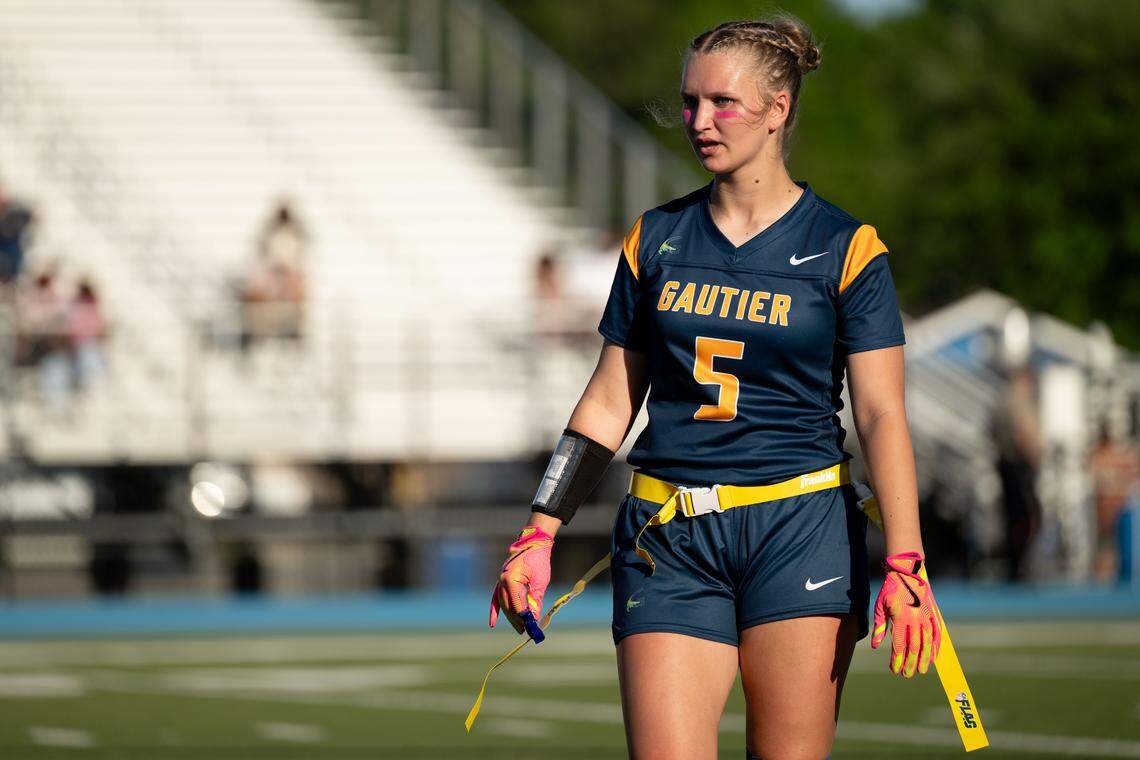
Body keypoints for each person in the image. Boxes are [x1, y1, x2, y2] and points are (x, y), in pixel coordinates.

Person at [489, 15, 942, 760]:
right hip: (670, 536)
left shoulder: (846, 247)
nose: (699, 121)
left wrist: (906, 559)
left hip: (799, 528)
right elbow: (609, 400)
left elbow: (883, 414)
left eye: (722, 103)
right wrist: (541, 528)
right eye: (690, 102)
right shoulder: (656, 237)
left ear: (778, 108)